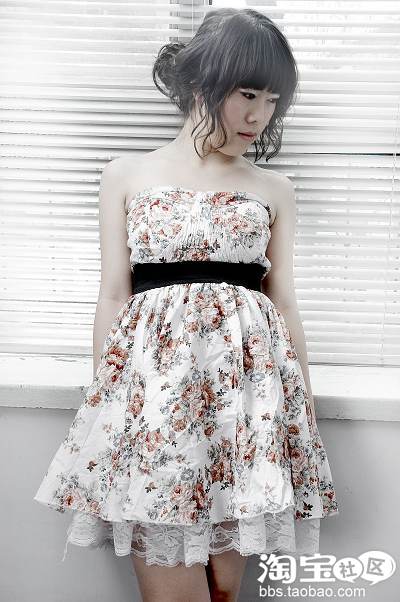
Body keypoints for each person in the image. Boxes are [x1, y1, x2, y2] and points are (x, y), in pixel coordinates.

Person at [33, 7, 339, 602]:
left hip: (245, 408)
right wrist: (108, 403)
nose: (259, 115)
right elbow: (115, 293)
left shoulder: (273, 188)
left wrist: (299, 408)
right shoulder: (126, 175)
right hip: (157, 402)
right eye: (247, 94)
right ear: (202, 83)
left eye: (272, 100)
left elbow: (283, 301)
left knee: (223, 590)